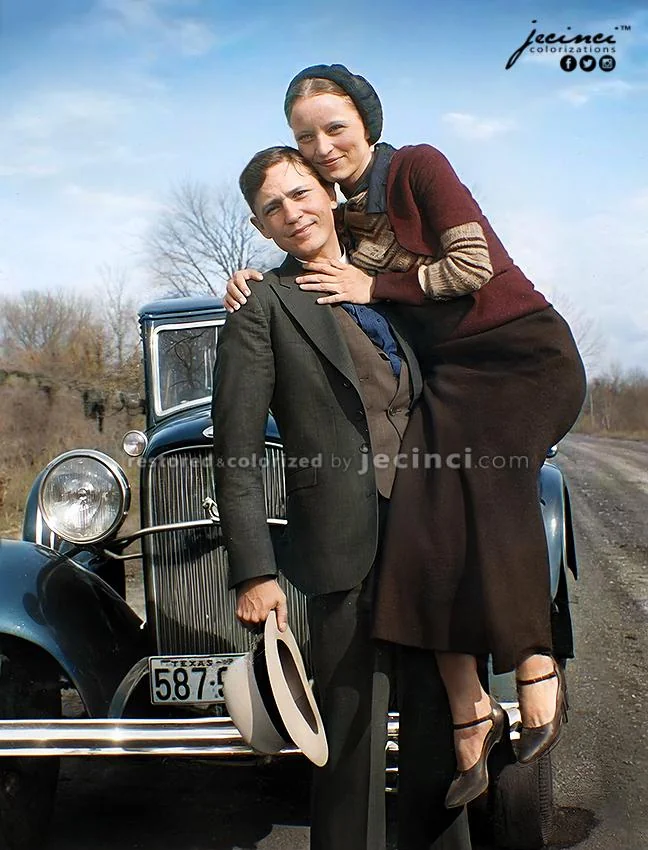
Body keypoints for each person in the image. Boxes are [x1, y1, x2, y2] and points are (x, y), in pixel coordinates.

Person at [224, 64, 587, 807]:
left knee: (491, 485)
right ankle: (468, 710)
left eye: (334, 127)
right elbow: (310, 260)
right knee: (425, 525)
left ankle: (534, 666)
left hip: (518, 353)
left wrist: (376, 286)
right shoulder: (345, 221)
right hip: (450, 376)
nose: (323, 147)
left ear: (365, 118)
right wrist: (251, 283)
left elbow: (473, 262)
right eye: (305, 137)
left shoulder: (419, 166)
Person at [212, 145, 472, 850]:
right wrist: (255, 571)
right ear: (262, 228)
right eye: (273, 207)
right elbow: (234, 448)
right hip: (341, 544)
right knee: (350, 745)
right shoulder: (261, 305)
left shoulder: (390, 281)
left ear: (329, 194)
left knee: (436, 737)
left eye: (300, 193)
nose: (292, 212)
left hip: (425, 534)